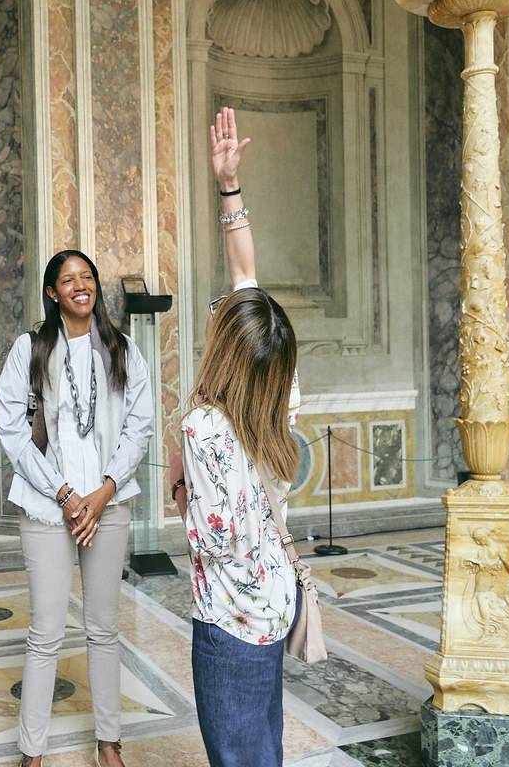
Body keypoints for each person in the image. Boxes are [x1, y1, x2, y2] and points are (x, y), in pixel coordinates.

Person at [171, 107, 301, 767]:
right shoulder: (280, 389)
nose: (222, 303)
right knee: (264, 747)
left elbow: (219, 541)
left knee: (238, 754)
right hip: (278, 603)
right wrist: (229, 187)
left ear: (222, 346)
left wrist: (182, 490)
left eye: (221, 312)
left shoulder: (202, 428)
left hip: (232, 620)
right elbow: (245, 272)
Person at [0, 250, 155, 767]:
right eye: (68, 280)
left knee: (104, 628)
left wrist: (103, 491)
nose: (80, 285)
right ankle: (31, 752)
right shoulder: (30, 348)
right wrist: (64, 495)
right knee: (45, 631)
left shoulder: (123, 348)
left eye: (87, 277)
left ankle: (109, 744)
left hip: (108, 505)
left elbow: (140, 428)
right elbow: (14, 432)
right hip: (46, 507)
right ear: (52, 292)